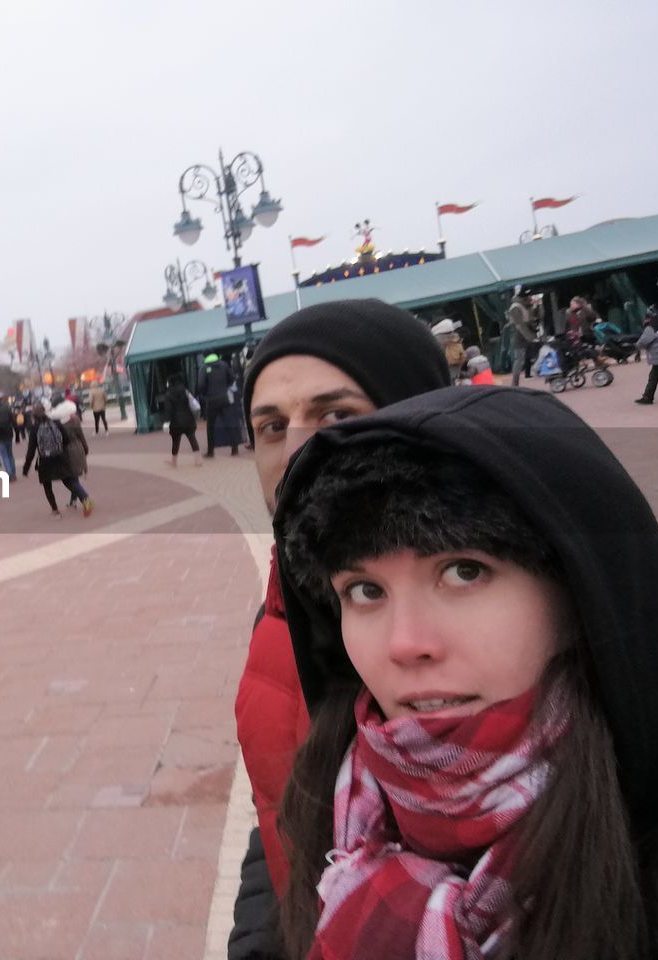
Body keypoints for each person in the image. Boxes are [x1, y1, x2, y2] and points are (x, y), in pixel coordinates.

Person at [272, 385, 658, 959]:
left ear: (578, 588)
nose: (406, 645)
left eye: (463, 572)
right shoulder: (323, 794)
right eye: (365, 590)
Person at [229, 299, 451, 960]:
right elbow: (281, 807)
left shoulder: (501, 601)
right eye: (271, 425)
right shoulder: (284, 599)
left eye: (336, 415)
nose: (298, 448)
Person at [22, 402, 92, 518]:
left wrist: (26, 468)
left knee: (47, 486)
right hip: (60, 457)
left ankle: (55, 511)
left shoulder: (34, 429)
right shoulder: (56, 422)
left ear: (34, 417)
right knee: (69, 481)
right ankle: (86, 499)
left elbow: (31, 451)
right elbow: (66, 439)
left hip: (45, 461)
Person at [197, 352, 240, 457]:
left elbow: (201, 385)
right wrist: (224, 387)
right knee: (229, 423)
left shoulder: (204, 368)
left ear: (205, 356)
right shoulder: (224, 364)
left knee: (210, 426)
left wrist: (205, 395)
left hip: (211, 401)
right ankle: (234, 448)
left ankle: (211, 451)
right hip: (225, 398)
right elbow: (232, 378)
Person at [50, 399, 90, 508]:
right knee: (73, 476)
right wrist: (85, 448)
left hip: (65, 451)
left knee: (67, 478)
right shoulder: (74, 418)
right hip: (77, 447)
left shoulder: (56, 422)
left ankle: (85, 499)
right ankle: (73, 501)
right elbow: (80, 434)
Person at [160, 373, 201, 468]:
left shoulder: (168, 395)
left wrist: (167, 422)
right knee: (192, 438)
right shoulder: (185, 391)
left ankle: (174, 462)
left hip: (176, 423)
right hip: (188, 419)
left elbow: (168, 410)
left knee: (175, 442)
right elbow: (193, 403)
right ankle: (198, 460)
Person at [506, 288, 540, 385]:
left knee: (528, 357)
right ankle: (515, 383)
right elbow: (520, 325)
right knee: (519, 360)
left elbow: (535, 317)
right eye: (529, 296)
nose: (530, 298)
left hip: (528, 335)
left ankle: (530, 373)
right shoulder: (515, 307)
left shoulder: (526, 306)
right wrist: (531, 338)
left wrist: (537, 306)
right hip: (520, 336)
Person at [633, 309, 658, 405]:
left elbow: (645, 339)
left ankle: (648, 397)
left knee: (653, 377)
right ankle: (647, 396)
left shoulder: (651, 327)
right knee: (653, 377)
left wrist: (637, 345)